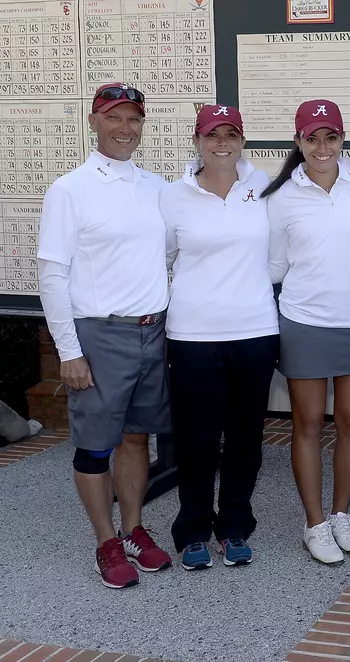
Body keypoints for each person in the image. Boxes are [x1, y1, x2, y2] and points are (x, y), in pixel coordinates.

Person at [37, 83, 173, 588]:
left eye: (133, 119)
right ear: (94, 122)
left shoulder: (157, 187)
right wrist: (68, 352)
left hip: (151, 332)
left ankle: (134, 529)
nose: (125, 128)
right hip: (100, 334)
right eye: (114, 118)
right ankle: (106, 540)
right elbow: (51, 275)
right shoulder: (70, 189)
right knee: (96, 445)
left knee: (137, 437)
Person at [160, 104, 279, 571]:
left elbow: (277, 256)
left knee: (246, 439)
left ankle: (234, 526)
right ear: (197, 140)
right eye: (213, 134)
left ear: (242, 140)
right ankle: (192, 529)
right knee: (197, 440)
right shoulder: (173, 196)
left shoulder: (263, 186)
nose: (222, 143)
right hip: (192, 336)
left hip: (254, 332)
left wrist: (244, 289)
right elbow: (164, 257)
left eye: (231, 134)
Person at [263, 99, 350, 565]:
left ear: (343, 140)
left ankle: (341, 513)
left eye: (331, 137)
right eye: (312, 138)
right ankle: (314, 523)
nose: (322, 146)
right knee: (307, 426)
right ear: (298, 142)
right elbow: (273, 267)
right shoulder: (281, 197)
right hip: (304, 323)